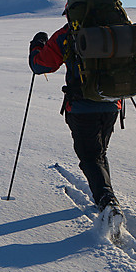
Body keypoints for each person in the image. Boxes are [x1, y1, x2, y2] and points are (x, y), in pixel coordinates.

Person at [29, 26, 121, 212]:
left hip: (82, 106)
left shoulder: (67, 33)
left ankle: (107, 203)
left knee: (90, 156)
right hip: (113, 103)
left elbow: (40, 65)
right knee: (99, 152)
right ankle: (106, 198)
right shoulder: (117, 27)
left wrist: (36, 47)